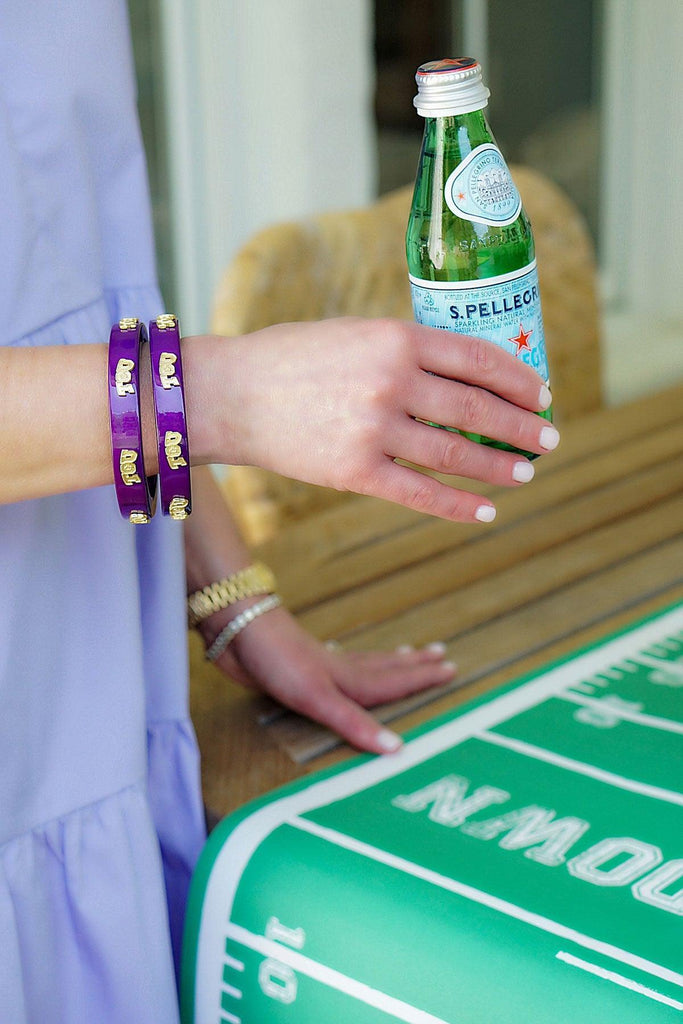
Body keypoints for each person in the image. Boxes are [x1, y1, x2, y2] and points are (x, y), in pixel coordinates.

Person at [0, 4, 559, 1022]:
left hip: (111, 715)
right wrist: (217, 398)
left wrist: (234, 600)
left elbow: (90, 310)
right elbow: (157, 384)